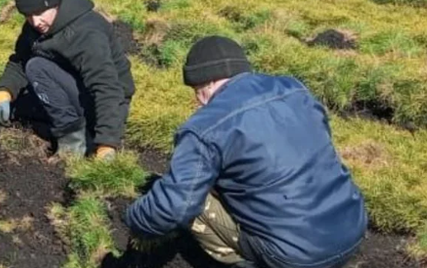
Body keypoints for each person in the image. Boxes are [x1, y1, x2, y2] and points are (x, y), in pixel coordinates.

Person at [125, 37, 367, 268]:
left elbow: (172, 208)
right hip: (353, 230)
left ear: (206, 83)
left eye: (196, 90)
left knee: (193, 199)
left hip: (294, 258)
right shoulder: (295, 90)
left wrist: (131, 219)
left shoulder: (205, 127)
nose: (198, 101)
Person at [0, 0, 134, 158]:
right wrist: (3, 92)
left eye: (39, 13)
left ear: (53, 4)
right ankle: (65, 127)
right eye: (28, 16)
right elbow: (20, 61)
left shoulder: (86, 33)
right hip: (71, 88)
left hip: (104, 103)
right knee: (17, 109)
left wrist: (106, 144)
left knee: (36, 67)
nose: (35, 22)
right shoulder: (36, 27)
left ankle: (74, 140)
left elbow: (107, 88)